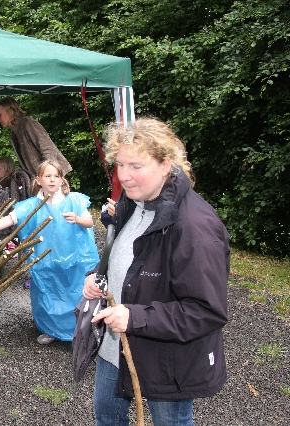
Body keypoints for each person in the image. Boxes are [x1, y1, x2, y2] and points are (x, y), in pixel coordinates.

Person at [84, 118, 229, 425]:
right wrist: (99, 275)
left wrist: (134, 317)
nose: (124, 176)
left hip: (166, 359)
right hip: (115, 347)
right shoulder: (133, 201)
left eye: (136, 166)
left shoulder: (195, 227)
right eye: (120, 164)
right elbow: (127, 256)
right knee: (107, 418)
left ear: (166, 165)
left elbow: (206, 311)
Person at [0, 160, 99, 344]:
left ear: (61, 180)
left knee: (75, 293)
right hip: (46, 260)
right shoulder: (32, 205)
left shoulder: (74, 201)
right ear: (38, 180)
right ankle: (51, 330)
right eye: (48, 176)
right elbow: (10, 219)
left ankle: (80, 332)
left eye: (56, 176)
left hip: (75, 259)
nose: (52, 180)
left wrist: (78, 219)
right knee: (48, 293)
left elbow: (90, 222)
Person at [0, 97, 72, 179]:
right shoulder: (15, 134)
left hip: (53, 177)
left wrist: (49, 176)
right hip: (41, 179)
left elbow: (48, 150)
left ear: (10, 112)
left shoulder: (27, 123)